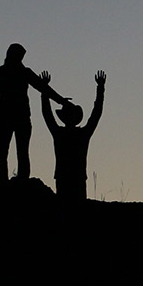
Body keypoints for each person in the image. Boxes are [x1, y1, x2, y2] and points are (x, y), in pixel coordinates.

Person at [0, 43, 71, 182]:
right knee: (6, 152)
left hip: (18, 118)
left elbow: (43, 88)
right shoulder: (2, 73)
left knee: (18, 152)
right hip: (8, 118)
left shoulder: (17, 73)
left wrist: (61, 101)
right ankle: (5, 181)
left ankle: (20, 179)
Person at [40, 70, 105, 200]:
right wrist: (100, 88)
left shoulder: (59, 133)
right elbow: (96, 113)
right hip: (78, 177)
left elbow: (47, 113)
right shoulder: (83, 134)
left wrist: (44, 89)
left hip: (63, 177)